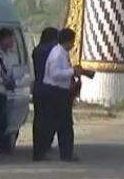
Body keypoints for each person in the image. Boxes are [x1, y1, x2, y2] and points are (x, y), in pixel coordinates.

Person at [42, 28, 81, 162]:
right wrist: (72, 72)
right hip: (56, 92)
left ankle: (66, 153)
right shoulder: (57, 54)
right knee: (61, 125)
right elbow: (55, 74)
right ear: (68, 41)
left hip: (62, 92)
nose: (73, 45)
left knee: (64, 125)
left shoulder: (62, 53)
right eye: (72, 42)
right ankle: (52, 151)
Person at [32, 27, 58, 161]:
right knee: (50, 121)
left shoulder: (37, 50)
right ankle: (44, 147)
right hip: (50, 89)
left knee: (38, 120)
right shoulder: (53, 50)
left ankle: (38, 150)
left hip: (38, 88)